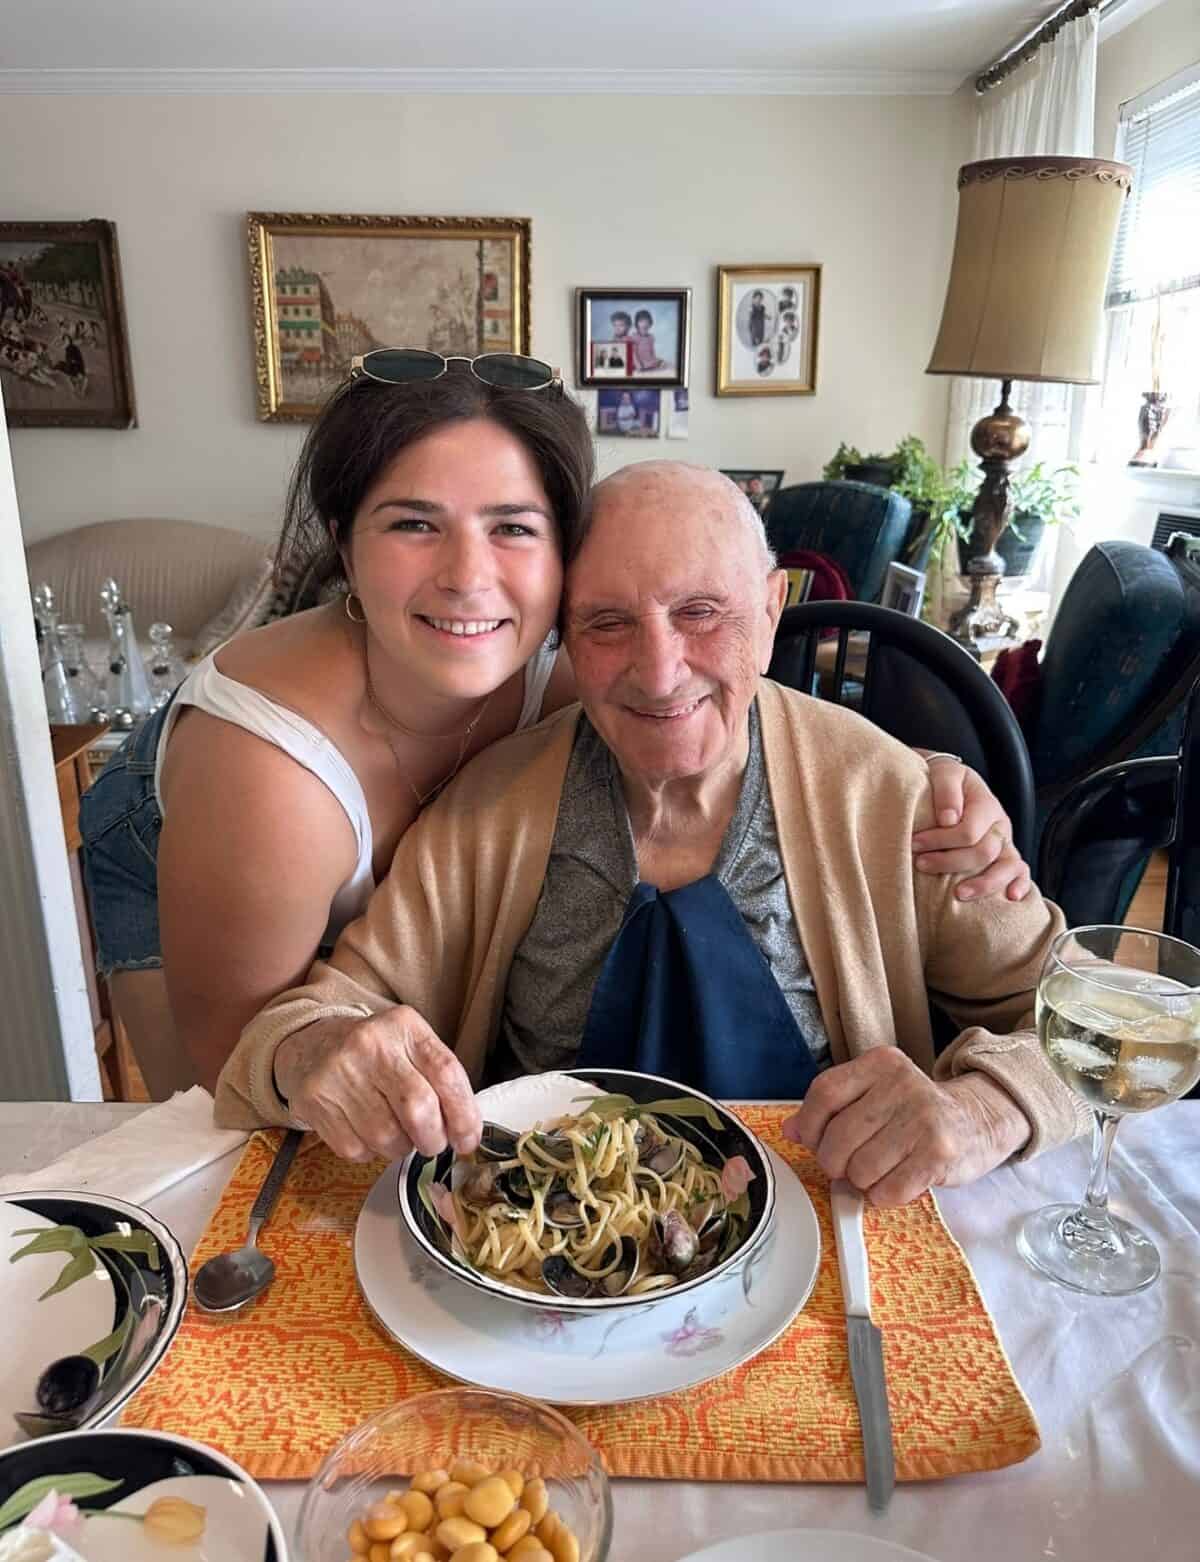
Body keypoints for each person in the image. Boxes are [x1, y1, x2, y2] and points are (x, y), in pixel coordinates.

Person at [81, 364, 1022, 1102]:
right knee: (207, 1129)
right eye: (414, 523)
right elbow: (252, 1053)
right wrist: (310, 1052)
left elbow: (1088, 1011)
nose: (468, 578)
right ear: (344, 543)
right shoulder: (295, 769)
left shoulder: (585, 664)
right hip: (187, 840)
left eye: (513, 528)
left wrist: (921, 777)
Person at [215, 462, 1083, 1208]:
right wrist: (315, 1050)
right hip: (542, 1257)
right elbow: (311, 1022)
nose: (660, 671)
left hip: (827, 1249)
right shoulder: (489, 811)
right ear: (563, 640)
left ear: (773, 610)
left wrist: (983, 1109)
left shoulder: (892, 797)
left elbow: (1095, 1011)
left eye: (702, 611)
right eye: (607, 623)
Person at [630, 309, 665, 374]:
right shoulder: (635, 336)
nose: (644, 324)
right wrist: (638, 365)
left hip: (648, 359)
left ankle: (651, 365)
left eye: (646, 322)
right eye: (641, 321)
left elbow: (652, 351)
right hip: (639, 360)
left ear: (650, 323)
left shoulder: (651, 337)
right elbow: (633, 353)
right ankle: (644, 366)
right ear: (636, 324)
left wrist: (654, 360)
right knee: (639, 365)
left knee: (660, 362)